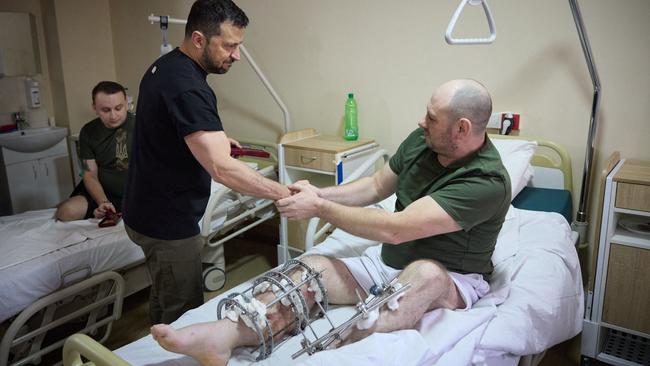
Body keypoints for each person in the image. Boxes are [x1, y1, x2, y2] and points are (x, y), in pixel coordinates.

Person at [146, 79, 512, 365]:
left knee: (426, 275)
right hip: (390, 262)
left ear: (462, 128)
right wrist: (318, 195)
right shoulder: (423, 141)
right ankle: (226, 335)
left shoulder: (485, 182)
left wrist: (319, 210)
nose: (422, 121)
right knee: (312, 268)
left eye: (432, 117)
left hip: (452, 279)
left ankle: (340, 347)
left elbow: (396, 227)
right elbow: (373, 186)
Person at [122, 0, 290, 325]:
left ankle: (155, 346)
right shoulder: (188, 87)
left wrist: (211, 139)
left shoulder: (165, 67)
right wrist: (283, 193)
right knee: (183, 313)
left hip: (142, 209)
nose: (237, 56)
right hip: (167, 223)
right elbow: (222, 169)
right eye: (229, 46)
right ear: (199, 39)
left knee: (163, 293)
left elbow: (166, 128)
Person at [55, 81, 134, 221]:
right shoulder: (88, 132)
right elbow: (90, 174)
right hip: (103, 193)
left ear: (126, 104)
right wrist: (103, 203)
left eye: (118, 108)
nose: (113, 115)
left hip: (136, 194)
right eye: (106, 110)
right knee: (65, 212)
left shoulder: (142, 125)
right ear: (95, 108)